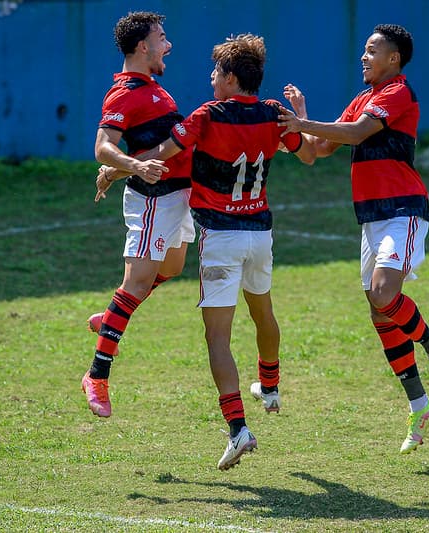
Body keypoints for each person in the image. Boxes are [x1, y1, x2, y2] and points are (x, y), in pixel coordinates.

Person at [96, 34, 315, 470]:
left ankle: (238, 429)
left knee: (218, 337)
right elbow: (309, 156)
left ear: (231, 78)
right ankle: (269, 386)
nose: (211, 78)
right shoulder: (275, 114)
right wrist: (302, 120)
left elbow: (164, 154)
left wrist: (117, 168)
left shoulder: (207, 116)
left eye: (216, 73)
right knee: (264, 315)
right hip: (261, 235)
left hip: (220, 237)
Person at [278, 24, 429, 453]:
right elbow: (319, 149)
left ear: (393, 59)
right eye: (364, 50)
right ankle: (419, 405)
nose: (364, 56)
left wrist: (302, 121)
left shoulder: (397, 92)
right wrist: (295, 130)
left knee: (382, 293)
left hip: (403, 210)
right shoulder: (363, 98)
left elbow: (357, 133)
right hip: (371, 218)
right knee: (381, 315)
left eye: (372, 50)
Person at [80, 12, 195, 418]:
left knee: (175, 266)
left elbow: (165, 145)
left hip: (178, 196)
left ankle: (114, 313)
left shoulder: (156, 90)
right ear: (143, 46)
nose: (168, 45)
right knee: (138, 282)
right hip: (152, 201)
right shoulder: (124, 93)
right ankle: (96, 375)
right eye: (162, 38)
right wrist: (127, 165)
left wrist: (123, 166)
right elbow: (102, 146)